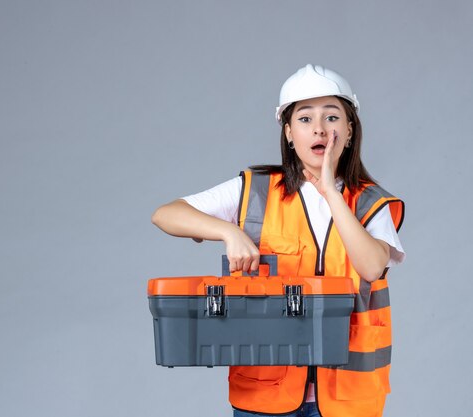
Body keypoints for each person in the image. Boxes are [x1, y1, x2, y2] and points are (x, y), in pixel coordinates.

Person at [151, 64, 405, 417]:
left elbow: (371, 265)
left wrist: (331, 191)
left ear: (349, 130)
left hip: (348, 398)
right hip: (265, 393)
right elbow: (166, 214)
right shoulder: (255, 191)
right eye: (304, 119)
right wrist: (230, 232)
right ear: (288, 132)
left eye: (332, 117)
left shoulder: (369, 202)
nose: (319, 128)